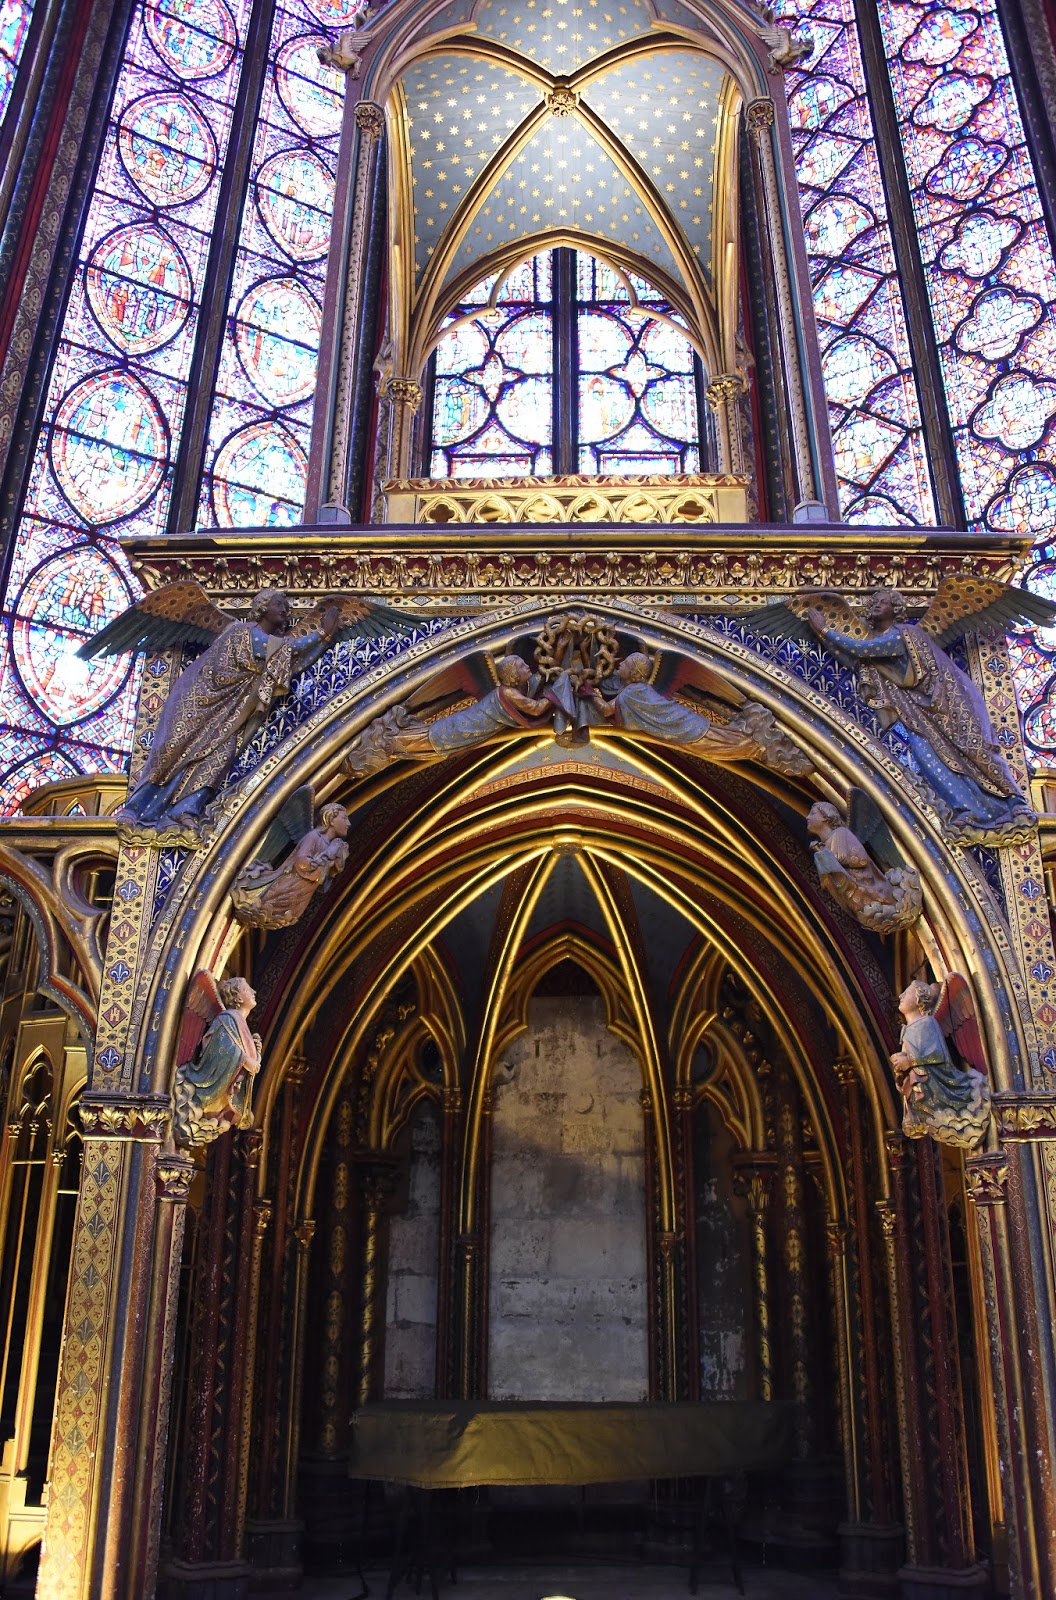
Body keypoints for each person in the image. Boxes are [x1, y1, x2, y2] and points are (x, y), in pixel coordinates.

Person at [806, 589, 1030, 835]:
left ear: (896, 609)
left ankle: (1014, 802)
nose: (876, 605)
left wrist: (824, 631)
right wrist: (824, 637)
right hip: (917, 713)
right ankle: (968, 810)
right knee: (927, 757)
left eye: (884, 602)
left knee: (974, 748)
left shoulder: (905, 634)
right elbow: (857, 657)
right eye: (875, 602)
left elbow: (862, 650)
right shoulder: (879, 642)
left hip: (948, 703)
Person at [121, 589, 339, 830]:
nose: (284, 609)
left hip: (234, 711)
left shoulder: (278, 647)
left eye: (286, 606)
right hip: (201, 702)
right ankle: (136, 809)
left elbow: (293, 661)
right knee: (173, 750)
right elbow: (276, 647)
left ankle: (185, 809)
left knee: (221, 756)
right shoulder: (242, 632)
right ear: (262, 607)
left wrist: (324, 639)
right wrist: (321, 633)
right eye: (278, 603)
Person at [891, 980, 990, 1150]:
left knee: (953, 1109)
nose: (900, 995)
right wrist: (901, 1073)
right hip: (923, 1083)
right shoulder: (907, 1030)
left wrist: (910, 1061)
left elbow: (937, 1054)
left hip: (940, 1081)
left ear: (918, 999)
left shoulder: (927, 1023)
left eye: (906, 993)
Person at [172, 977, 262, 1147]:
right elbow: (220, 1047)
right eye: (247, 989)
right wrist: (244, 1059)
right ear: (238, 997)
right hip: (208, 1082)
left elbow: (253, 1064)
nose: (254, 992)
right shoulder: (228, 1018)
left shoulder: (239, 1022)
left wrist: (256, 1053)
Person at [231, 803, 350, 928]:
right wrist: (324, 860)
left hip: (301, 895)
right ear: (331, 819)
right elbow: (301, 862)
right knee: (266, 904)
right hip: (290, 884)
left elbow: (323, 881)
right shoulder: (314, 836)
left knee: (277, 915)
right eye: (344, 818)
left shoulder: (330, 845)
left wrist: (334, 863)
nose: (348, 823)